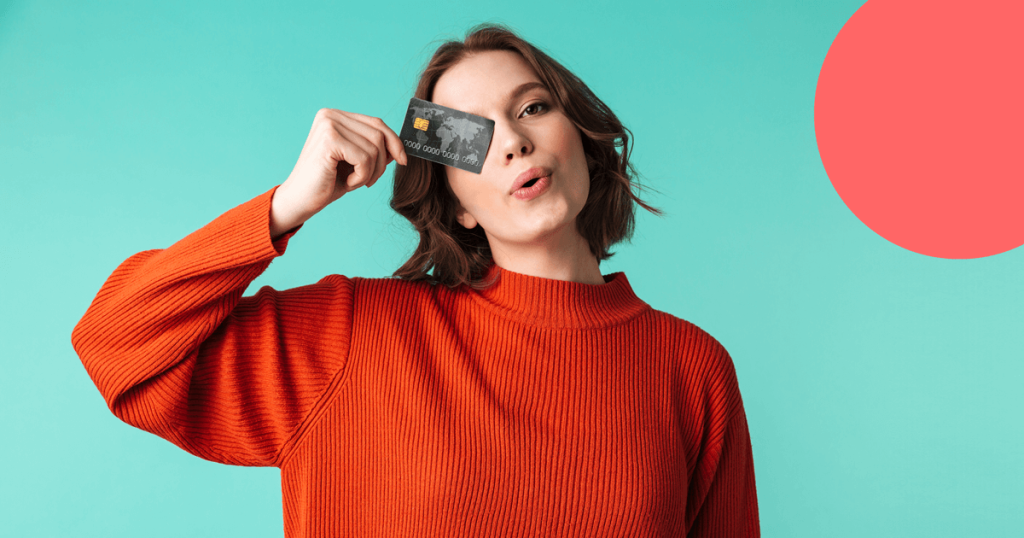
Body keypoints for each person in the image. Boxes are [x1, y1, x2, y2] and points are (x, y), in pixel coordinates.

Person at [72, 23, 760, 537]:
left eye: (533, 108)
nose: (515, 141)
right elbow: (115, 344)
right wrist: (287, 206)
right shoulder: (354, 335)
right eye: (476, 137)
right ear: (455, 200)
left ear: (579, 135)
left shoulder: (691, 368)